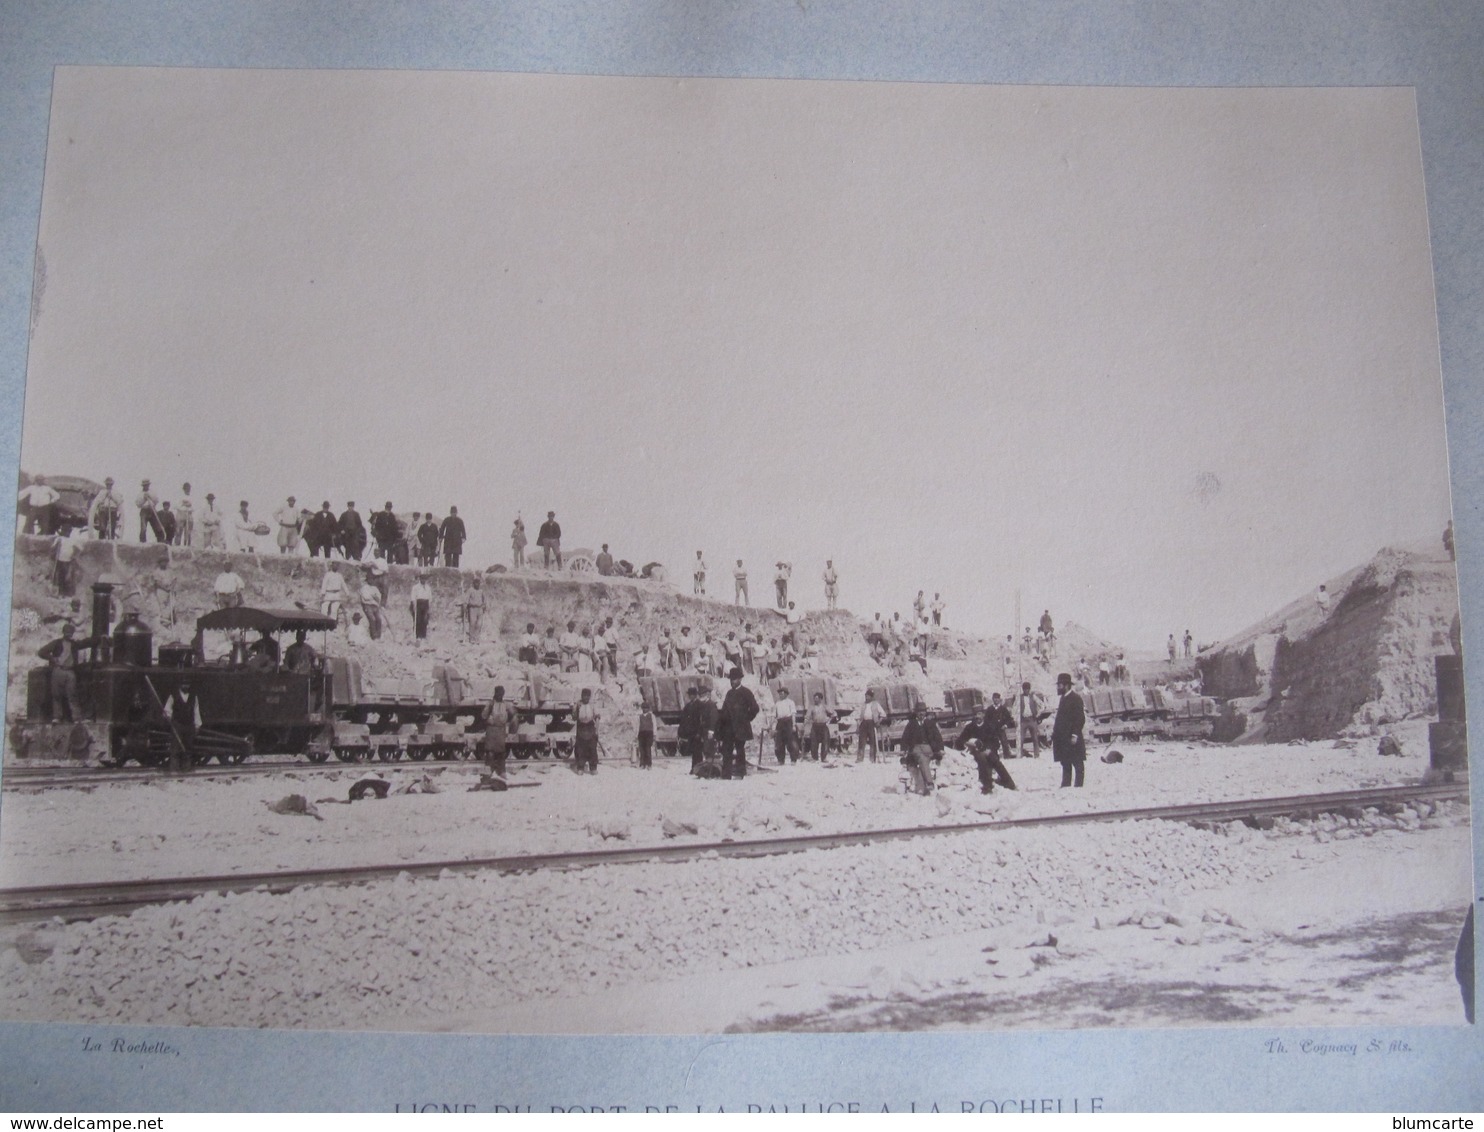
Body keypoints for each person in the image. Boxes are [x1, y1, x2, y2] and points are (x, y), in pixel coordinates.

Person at [38, 623, 91, 722]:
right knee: (56, 695)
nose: (69, 634)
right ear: (63, 632)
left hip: (70, 671)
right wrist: (52, 658)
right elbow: (41, 652)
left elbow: (85, 643)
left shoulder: (74, 644)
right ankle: (57, 717)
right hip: (58, 670)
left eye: (70, 632)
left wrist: (99, 638)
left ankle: (76, 718)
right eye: (67, 632)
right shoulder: (56, 643)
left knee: (72, 695)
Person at [956, 709, 1018, 794]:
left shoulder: (989, 726)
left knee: (995, 760)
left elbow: (995, 742)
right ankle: (987, 786)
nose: (977, 717)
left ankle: (1009, 783)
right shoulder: (970, 727)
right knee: (982, 760)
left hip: (988, 750)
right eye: (975, 714)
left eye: (979, 714)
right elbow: (960, 740)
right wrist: (967, 743)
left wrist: (990, 749)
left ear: (983, 715)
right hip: (975, 751)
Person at [716, 667, 760, 779]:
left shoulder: (746, 693)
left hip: (741, 727)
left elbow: (755, 708)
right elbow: (725, 710)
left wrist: (746, 719)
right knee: (727, 750)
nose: (732, 681)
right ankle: (726, 775)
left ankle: (740, 773)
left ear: (740, 679)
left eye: (734, 679)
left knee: (740, 750)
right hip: (729, 728)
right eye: (731, 679)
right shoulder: (729, 693)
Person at [1052, 671, 1087, 788]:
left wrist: (1075, 735)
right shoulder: (1063, 698)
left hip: (1072, 737)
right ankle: (1066, 784)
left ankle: (1079, 786)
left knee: (1077, 762)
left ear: (1066, 685)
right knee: (1065, 762)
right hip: (1063, 738)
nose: (1058, 687)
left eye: (1059, 685)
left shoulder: (1075, 699)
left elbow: (1080, 719)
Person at [899, 704, 942, 795]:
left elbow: (938, 737)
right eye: (919, 712)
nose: (921, 713)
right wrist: (903, 749)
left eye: (923, 711)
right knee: (922, 758)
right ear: (916, 713)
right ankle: (929, 782)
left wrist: (940, 749)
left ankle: (925, 786)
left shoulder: (930, 723)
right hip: (916, 747)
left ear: (925, 712)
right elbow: (905, 737)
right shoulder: (911, 724)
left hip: (928, 747)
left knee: (925, 759)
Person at [165, 678, 201, 772]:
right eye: (184, 684)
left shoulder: (194, 696)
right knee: (175, 748)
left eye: (187, 684)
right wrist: (169, 717)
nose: (186, 686)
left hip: (189, 725)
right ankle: (174, 770)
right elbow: (168, 708)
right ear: (180, 685)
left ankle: (186, 769)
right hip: (177, 725)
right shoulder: (174, 695)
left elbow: (196, 711)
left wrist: (197, 725)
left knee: (188, 748)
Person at [482, 685, 515, 777]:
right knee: (492, 752)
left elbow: (513, 715)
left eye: (501, 693)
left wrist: (508, 723)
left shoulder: (504, 705)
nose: (500, 695)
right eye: (499, 693)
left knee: (500, 752)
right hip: (492, 730)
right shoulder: (491, 704)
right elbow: (483, 716)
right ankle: (491, 771)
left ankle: (500, 772)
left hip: (499, 730)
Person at [677, 685, 707, 775]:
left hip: (697, 732)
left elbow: (702, 720)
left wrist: (700, 732)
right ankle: (694, 768)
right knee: (694, 752)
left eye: (692, 694)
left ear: (696, 695)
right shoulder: (688, 706)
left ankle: (699, 769)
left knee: (698, 752)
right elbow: (683, 719)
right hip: (690, 733)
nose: (691, 696)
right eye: (690, 694)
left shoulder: (700, 705)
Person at [52, 525, 86, 597]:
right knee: (59, 577)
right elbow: (53, 548)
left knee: (67, 577)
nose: (67, 533)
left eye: (68, 531)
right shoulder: (59, 539)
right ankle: (60, 593)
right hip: (59, 560)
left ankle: (67, 593)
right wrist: (55, 549)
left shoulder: (72, 540)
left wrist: (74, 555)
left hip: (68, 561)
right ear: (63, 531)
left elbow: (80, 549)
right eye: (65, 531)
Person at [572, 688, 599, 774]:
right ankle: (580, 768)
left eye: (587, 696)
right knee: (580, 749)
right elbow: (574, 717)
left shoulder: (592, 705)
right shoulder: (578, 704)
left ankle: (593, 768)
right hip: (581, 728)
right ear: (582, 696)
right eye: (584, 696)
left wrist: (597, 730)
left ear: (590, 697)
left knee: (592, 748)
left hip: (590, 727)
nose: (586, 698)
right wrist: (574, 708)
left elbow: (597, 717)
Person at [771, 685, 800, 764]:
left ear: (786, 694)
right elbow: (774, 716)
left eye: (782, 693)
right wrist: (773, 728)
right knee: (779, 742)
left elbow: (793, 714)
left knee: (791, 741)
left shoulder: (790, 702)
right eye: (780, 694)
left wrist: (794, 725)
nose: (780, 695)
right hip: (780, 723)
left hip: (788, 722)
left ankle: (793, 759)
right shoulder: (777, 703)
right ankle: (781, 760)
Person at [1017, 681, 1044, 757]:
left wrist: (1038, 714)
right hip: (1023, 720)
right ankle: (1020, 754)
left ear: (1029, 689)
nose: (1026, 691)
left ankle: (1036, 754)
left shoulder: (1033, 696)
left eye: (1028, 689)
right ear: (1023, 689)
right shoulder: (1019, 697)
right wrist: (1016, 718)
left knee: (1035, 738)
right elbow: (1014, 709)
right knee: (1021, 739)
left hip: (1032, 719)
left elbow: (1042, 705)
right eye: (1025, 689)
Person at [857, 688, 885, 762]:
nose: (867, 697)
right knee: (861, 741)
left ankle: (872, 759)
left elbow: (883, 714)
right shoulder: (863, 704)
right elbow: (858, 714)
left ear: (871, 697)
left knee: (873, 741)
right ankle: (860, 758)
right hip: (863, 723)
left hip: (872, 723)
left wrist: (879, 721)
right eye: (866, 695)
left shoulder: (876, 704)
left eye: (869, 696)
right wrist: (858, 723)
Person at [806, 692, 834, 760]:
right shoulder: (811, 707)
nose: (815, 700)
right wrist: (806, 722)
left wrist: (829, 721)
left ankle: (824, 758)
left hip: (823, 726)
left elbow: (833, 714)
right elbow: (807, 716)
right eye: (814, 698)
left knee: (825, 742)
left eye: (817, 698)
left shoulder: (825, 707)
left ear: (820, 699)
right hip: (815, 726)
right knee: (813, 742)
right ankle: (815, 758)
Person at [459, 576, 486, 642]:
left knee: (479, 624)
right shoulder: (470, 590)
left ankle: (477, 638)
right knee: (472, 623)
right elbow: (466, 599)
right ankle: (472, 639)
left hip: (479, 609)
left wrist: (484, 606)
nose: (477, 584)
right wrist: (465, 607)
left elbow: (484, 600)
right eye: (476, 583)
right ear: (473, 583)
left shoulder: (481, 591)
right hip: (472, 608)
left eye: (478, 583)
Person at [407, 573, 432, 640]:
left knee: (425, 620)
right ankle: (417, 635)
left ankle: (423, 636)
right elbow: (413, 597)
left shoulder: (428, 588)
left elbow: (430, 598)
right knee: (418, 620)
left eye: (425, 579)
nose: (423, 580)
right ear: (420, 579)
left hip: (425, 604)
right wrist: (414, 606)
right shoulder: (416, 587)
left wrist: (429, 607)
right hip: (418, 603)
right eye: (422, 578)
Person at [358, 574, 384, 640]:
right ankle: (374, 636)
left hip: (375, 606)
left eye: (373, 579)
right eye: (370, 579)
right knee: (372, 619)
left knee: (379, 619)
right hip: (367, 606)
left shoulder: (375, 588)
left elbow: (379, 597)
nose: (372, 581)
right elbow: (366, 597)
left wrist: (374, 597)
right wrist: (374, 596)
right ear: (367, 580)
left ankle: (379, 636)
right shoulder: (364, 588)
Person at [637, 698, 657, 769]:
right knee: (642, 749)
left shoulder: (651, 716)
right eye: (643, 708)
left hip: (649, 733)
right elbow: (638, 725)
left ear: (648, 709)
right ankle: (642, 764)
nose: (644, 709)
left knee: (647, 748)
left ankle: (649, 764)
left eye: (646, 708)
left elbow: (654, 725)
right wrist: (637, 734)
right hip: (641, 733)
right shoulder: (640, 716)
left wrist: (654, 734)